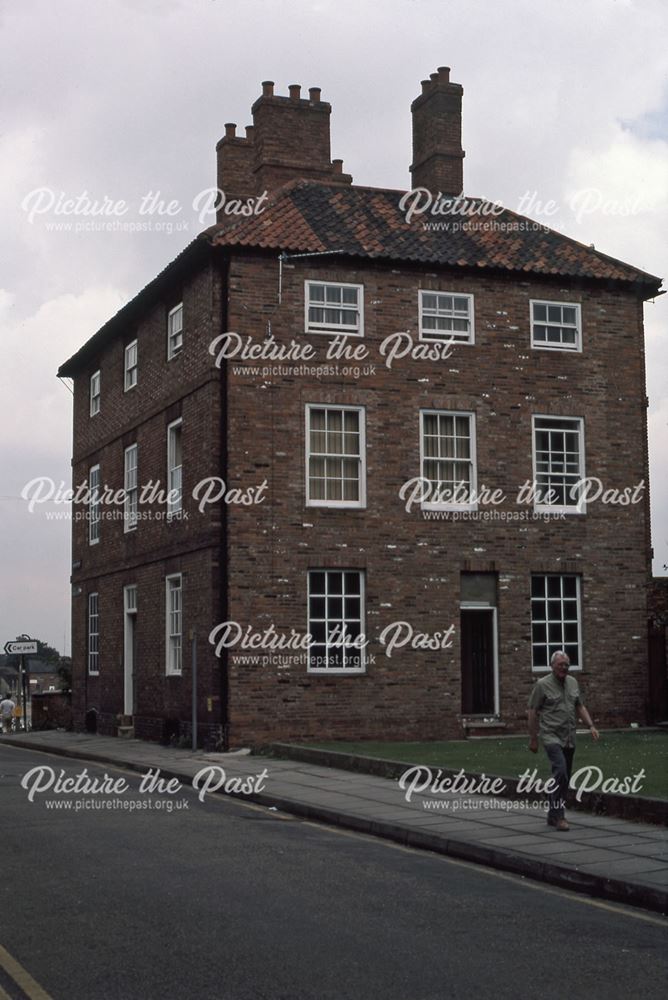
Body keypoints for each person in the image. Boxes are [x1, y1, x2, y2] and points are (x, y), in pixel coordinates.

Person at [528, 650, 599, 831]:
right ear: (552, 665)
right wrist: (533, 738)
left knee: (564, 778)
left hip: (569, 737)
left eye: (567, 664)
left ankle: (552, 814)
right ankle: (559, 816)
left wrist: (591, 725)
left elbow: (579, 706)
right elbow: (532, 712)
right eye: (560, 664)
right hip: (551, 735)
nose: (564, 668)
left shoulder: (573, 683)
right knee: (560, 772)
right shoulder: (542, 685)